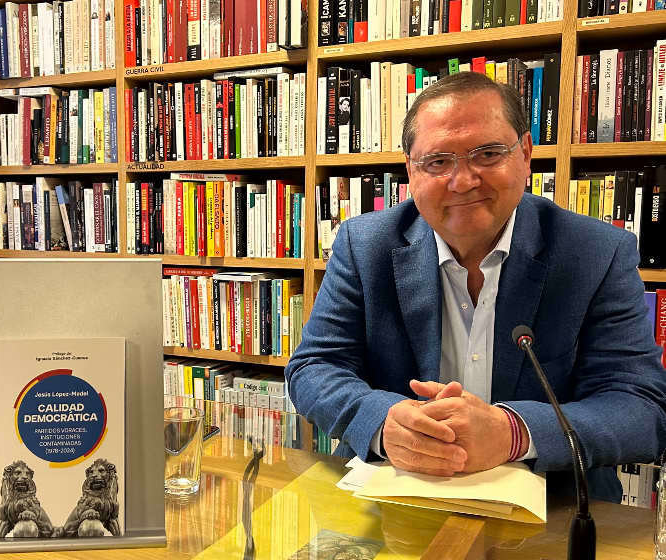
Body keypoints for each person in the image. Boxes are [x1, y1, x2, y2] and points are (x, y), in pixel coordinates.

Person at [285, 71, 666, 501]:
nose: (463, 180)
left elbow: (642, 408)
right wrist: (383, 420)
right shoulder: (364, 244)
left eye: (487, 154)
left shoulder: (597, 253)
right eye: (438, 161)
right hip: (393, 495)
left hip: (554, 510)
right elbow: (314, 368)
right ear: (410, 169)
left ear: (525, 155)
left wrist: (513, 433)